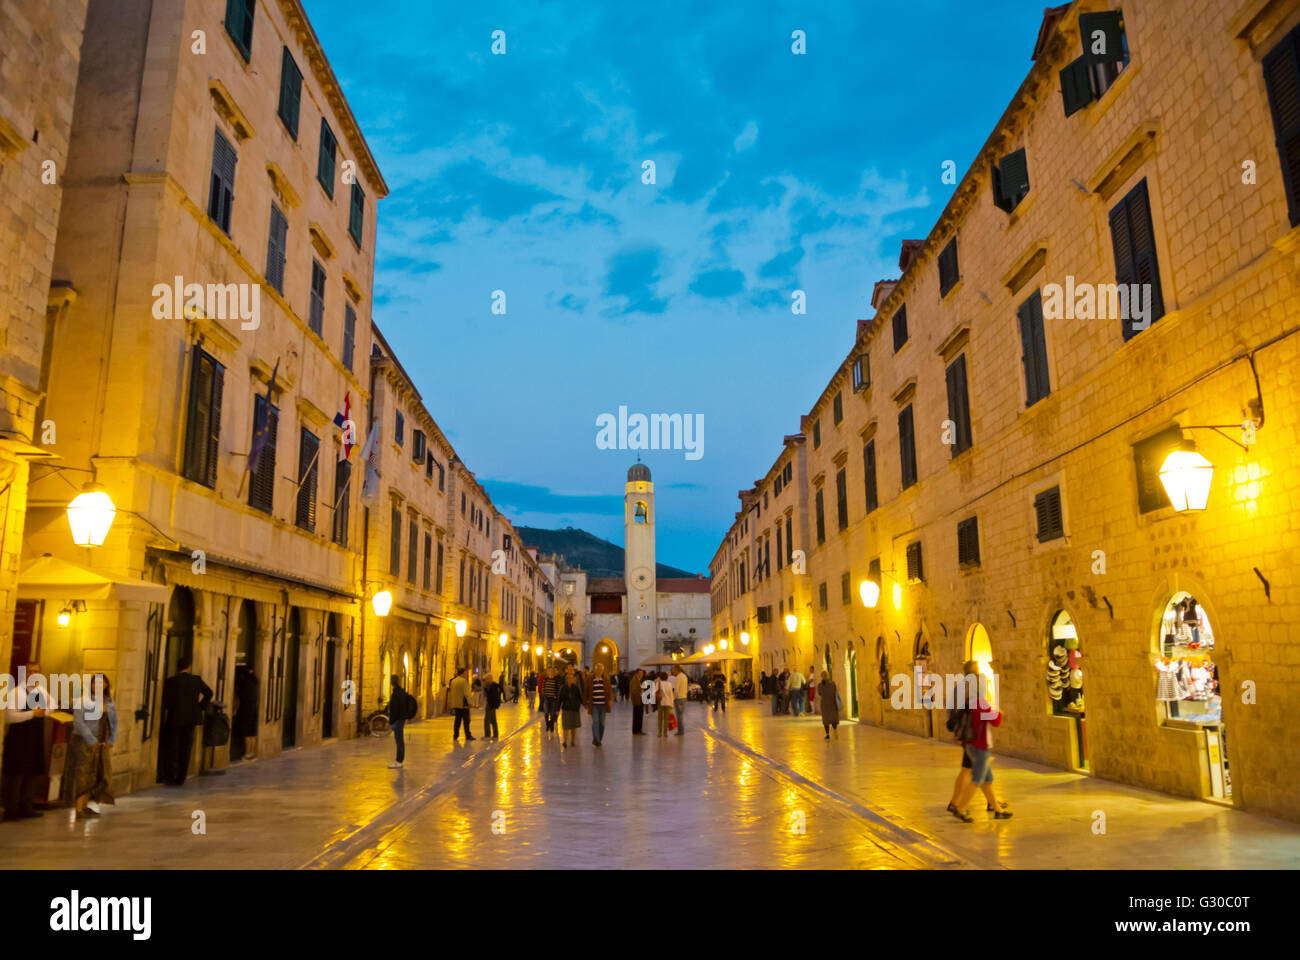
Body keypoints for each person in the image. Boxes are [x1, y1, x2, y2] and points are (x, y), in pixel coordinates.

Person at [951, 662, 1012, 822]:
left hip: (969, 742)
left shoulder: (966, 700)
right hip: (980, 745)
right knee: (977, 779)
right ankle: (960, 808)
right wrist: (998, 712)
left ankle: (997, 809)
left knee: (987, 780)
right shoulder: (979, 703)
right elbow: (995, 721)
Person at [62, 674, 117, 818]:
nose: (98, 686)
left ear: (106, 685)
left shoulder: (108, 702)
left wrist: (111, 740)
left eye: (102, 683)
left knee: (95, 775)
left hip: (100, 743)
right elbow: (79, 723)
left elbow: (113, 723)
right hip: (83, 741)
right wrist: (91, 740)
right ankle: (78, 809)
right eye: (95, 683)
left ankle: (86, 806)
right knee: (82, 774)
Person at [2, 663, 49, 819]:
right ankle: (11, 809)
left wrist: (45, 711)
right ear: (24, 674)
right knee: (17, 774)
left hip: (35, 738)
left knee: (32, 772)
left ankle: (26, 807)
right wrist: (32, 714)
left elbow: (51, 707)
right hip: (19, 739)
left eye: (36, 672)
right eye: (30, 671)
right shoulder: (16, 692)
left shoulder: (42, 692)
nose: (33, 674)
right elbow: (9, 717)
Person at [159, 657, 212, 785]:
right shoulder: (196, 680)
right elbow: (209, 693)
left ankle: (170, 776)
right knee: (186, 748)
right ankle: (181, 777)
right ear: (189, 667)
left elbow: (165, 701)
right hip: (191, 719)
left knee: (172, 748)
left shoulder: (171, 681)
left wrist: (171, 707)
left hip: (175, 718)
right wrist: (200, 707)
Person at [230, 664, 259, 762]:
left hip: (247, 709)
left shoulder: (246, 684)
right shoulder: (254, 682)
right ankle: (252, 753)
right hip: (254, 708)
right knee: (252, 732)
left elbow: (242, 696)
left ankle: (247, 753)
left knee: (247, 732)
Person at [387, 675, 414, 768]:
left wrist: (391, 722)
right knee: (400, 740)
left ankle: (399, 761)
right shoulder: (401, 692)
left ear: (392, 682)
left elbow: (395, 710)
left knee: (399, 740)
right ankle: (399, 760)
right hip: (401, 719)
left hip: (397, 720)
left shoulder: (396, 694)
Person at [586, 662, 614, 746]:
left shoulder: (606, 680)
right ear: (595, 670)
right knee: (595, 721)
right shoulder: (590, 680)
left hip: (603, 705)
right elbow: (586, 691)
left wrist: (611, 700)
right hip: (594, 705)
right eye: (597, 669)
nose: (599, 671)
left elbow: (610, 692)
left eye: (600, 669)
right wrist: (586, 703)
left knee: (602, 723)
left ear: (602, 670)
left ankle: (597, 738)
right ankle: (597, 740)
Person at [448, 667, 475, 742]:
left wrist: (451, 703)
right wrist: (470, 702)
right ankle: (468, 735)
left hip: (456, 704)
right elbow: (466, 693)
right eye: (465, 673)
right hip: (463, 704)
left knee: (457, 720)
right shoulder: (463, 681)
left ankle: (455, 735)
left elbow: (451, 693)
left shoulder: (453, 681)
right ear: (463, 673)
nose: (466, 674)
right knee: (466, 721)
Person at [559, 672, 583, 748]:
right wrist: (557, 709)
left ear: (573, 679)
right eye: (568, 678)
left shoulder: (576, 688)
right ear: (566, 680)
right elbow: (560, 699)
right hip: (566, 708)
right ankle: (565, 741)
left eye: (571, 678)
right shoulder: (563, 688)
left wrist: (578, 705)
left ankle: (572, 740)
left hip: (574, 709)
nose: (569, 679)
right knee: (565, 726)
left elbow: (580, 698)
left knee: (573, 726)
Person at [818, 671, 840, 740]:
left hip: (825, 704)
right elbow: (835, 691)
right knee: (833, 718)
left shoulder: (820, 685)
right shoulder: (833, 683)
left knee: (826, 720)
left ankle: (827, 734)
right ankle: (835, 731)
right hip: (833, 703)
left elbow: (820, 693)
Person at [542, 665, 562, 739]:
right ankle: (548, 725)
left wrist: (556, 697)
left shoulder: (555, 680)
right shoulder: (546, 679)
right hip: (546, 698)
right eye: (549, 671)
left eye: (551, 671)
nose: (550, 672)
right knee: (546, 713)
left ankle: (552, 727)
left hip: (553, 699)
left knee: (552, 714)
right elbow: (543, 687)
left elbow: (557, 690)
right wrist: (544, 695)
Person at [656, 671, 676, 738]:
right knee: (666, 719)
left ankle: (659, 733)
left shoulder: (659, 683)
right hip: (668, 703)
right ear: (667, 677)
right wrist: (672, 704)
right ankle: (665, 733)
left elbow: (655, 691)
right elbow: (671, 695)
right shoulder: (669, 684)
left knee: (660, 718)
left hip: (661, 703)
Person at [483, 673, 502, 740]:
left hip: (490, 705)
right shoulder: (494, 685)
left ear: (489, 679)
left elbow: (490, 695)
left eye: (486, 679)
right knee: (493, 720)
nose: (485, 680)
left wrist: (485, 687)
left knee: (487, 720)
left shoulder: (491, 686)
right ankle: (495, 734)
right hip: (493, 705)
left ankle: (487, 735)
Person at [671, 665, 688, 735]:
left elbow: (676, 690)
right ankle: (681, 730)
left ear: (676, 670)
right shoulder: (684, 676)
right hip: (684, 697)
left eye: (673, 670)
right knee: (681, 715)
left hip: (678, 698)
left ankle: (680, 731)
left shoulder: (678, 677)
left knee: (679, 716)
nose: (672, 671)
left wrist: (673, 698)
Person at [630, 669, 647, 735]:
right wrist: (641, 689)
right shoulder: (634, 680)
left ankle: (639, 730)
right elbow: (634, 691)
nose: (642, 675)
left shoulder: (638, 680)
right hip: (637, 701)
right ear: (637, 673)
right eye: (641, 673)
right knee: (637, 717)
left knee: (640, 716)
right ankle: (636, 731)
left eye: (642, 674)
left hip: (640, 700)